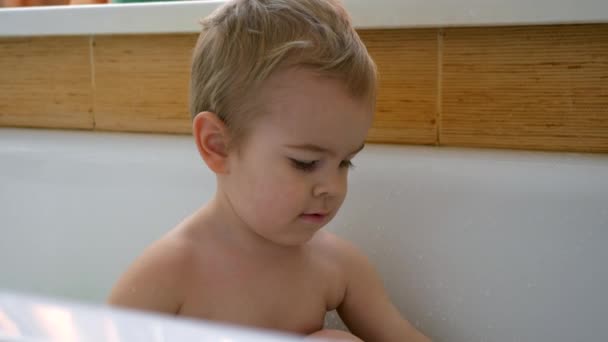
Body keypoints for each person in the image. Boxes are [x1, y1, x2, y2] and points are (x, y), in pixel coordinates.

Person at [108, 1, 430, 341]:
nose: (332, 187)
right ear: (218, 146)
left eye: (345, 162)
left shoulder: (335, 265)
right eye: (305, 163)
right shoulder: (171, 272)